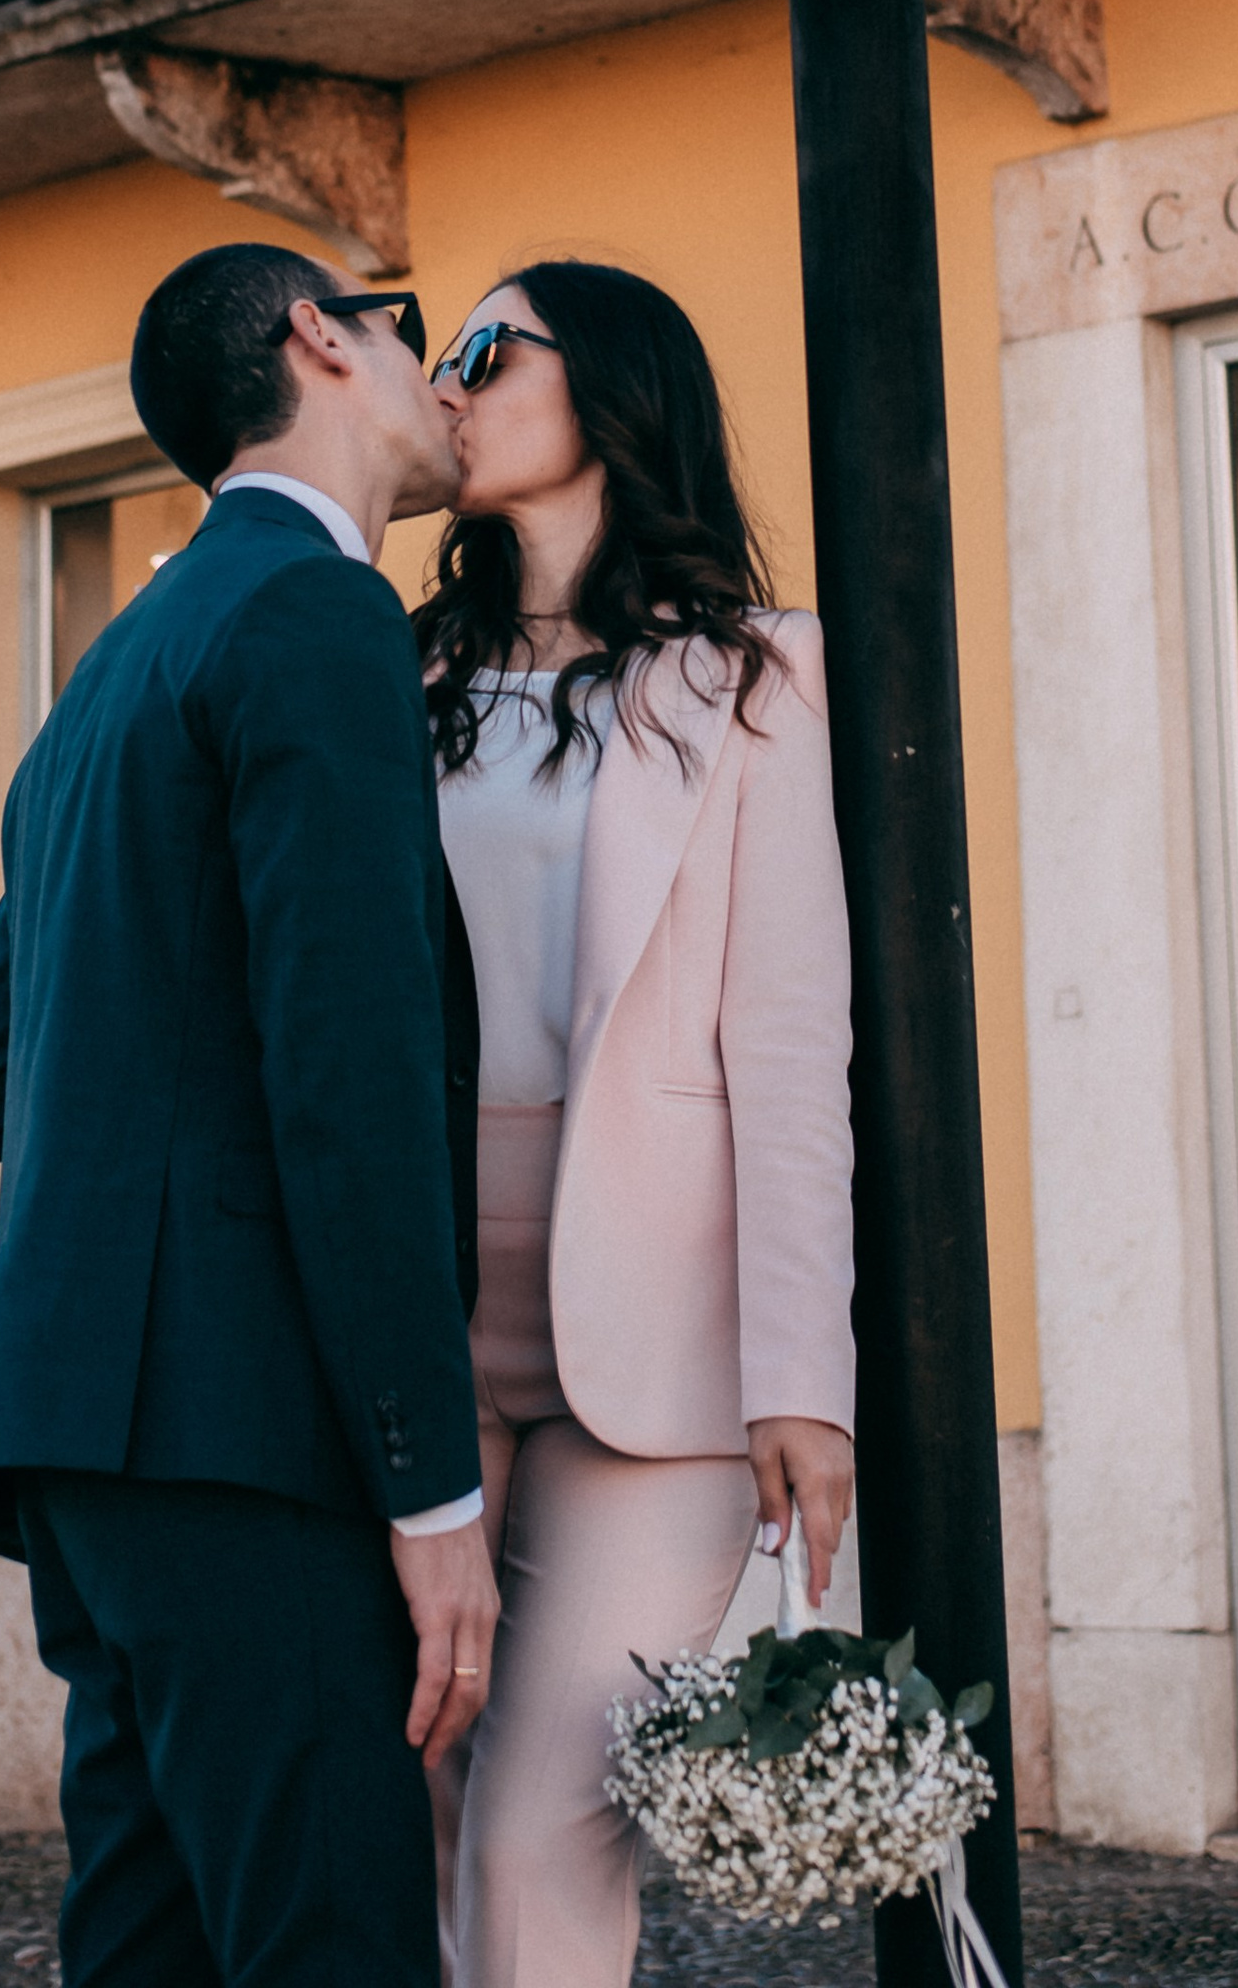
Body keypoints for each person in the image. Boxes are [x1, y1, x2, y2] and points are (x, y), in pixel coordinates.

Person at [0, 240, 501, 1988]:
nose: (443, 377)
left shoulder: (104, 678)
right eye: (419, 334)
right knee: (331, 1946)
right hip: (252, 1436)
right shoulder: (316, 612)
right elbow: (349, 1085)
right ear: (318, 339)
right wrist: (431, 1498)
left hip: (83, 1445)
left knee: (149, 1952)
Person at [421, 259, 856, 1988]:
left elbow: (791, 1043)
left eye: (482, 348)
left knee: (541, 1827)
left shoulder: (754, 683)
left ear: (605, 390)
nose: (444, 382)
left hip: (654, 1344)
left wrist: (798, 1378)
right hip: (415, 1318)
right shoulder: (396, 675)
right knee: (416, 1788)